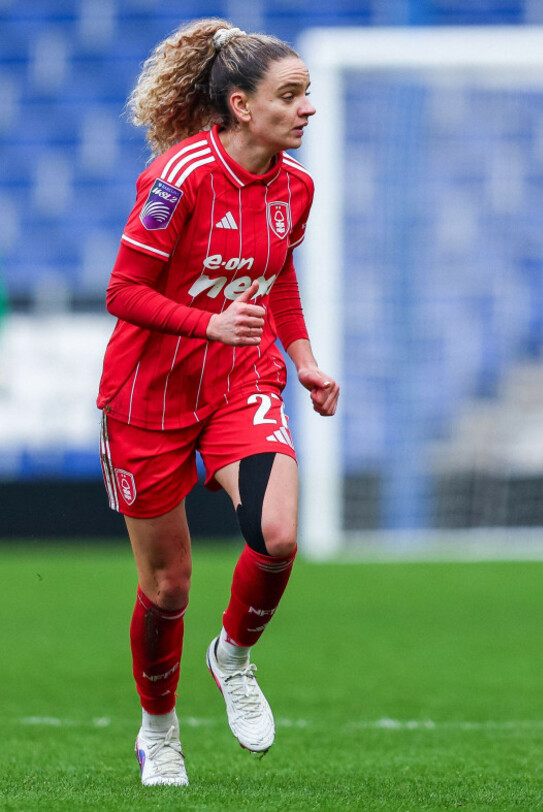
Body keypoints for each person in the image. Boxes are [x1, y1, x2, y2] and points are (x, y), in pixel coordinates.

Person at [97, 18, 339, 787]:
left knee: (276, 535)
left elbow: (277, 276)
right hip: (148, 399)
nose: (306, 109)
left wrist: (301, 359)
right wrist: (207, 320)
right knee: (167, 587)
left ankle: (232, 657)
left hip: (240, 383)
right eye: (290, 95)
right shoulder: (180, 178)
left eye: (308, 95)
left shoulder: (294, 188)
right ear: (240, 104)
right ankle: (159, 731)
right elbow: (122, 291)